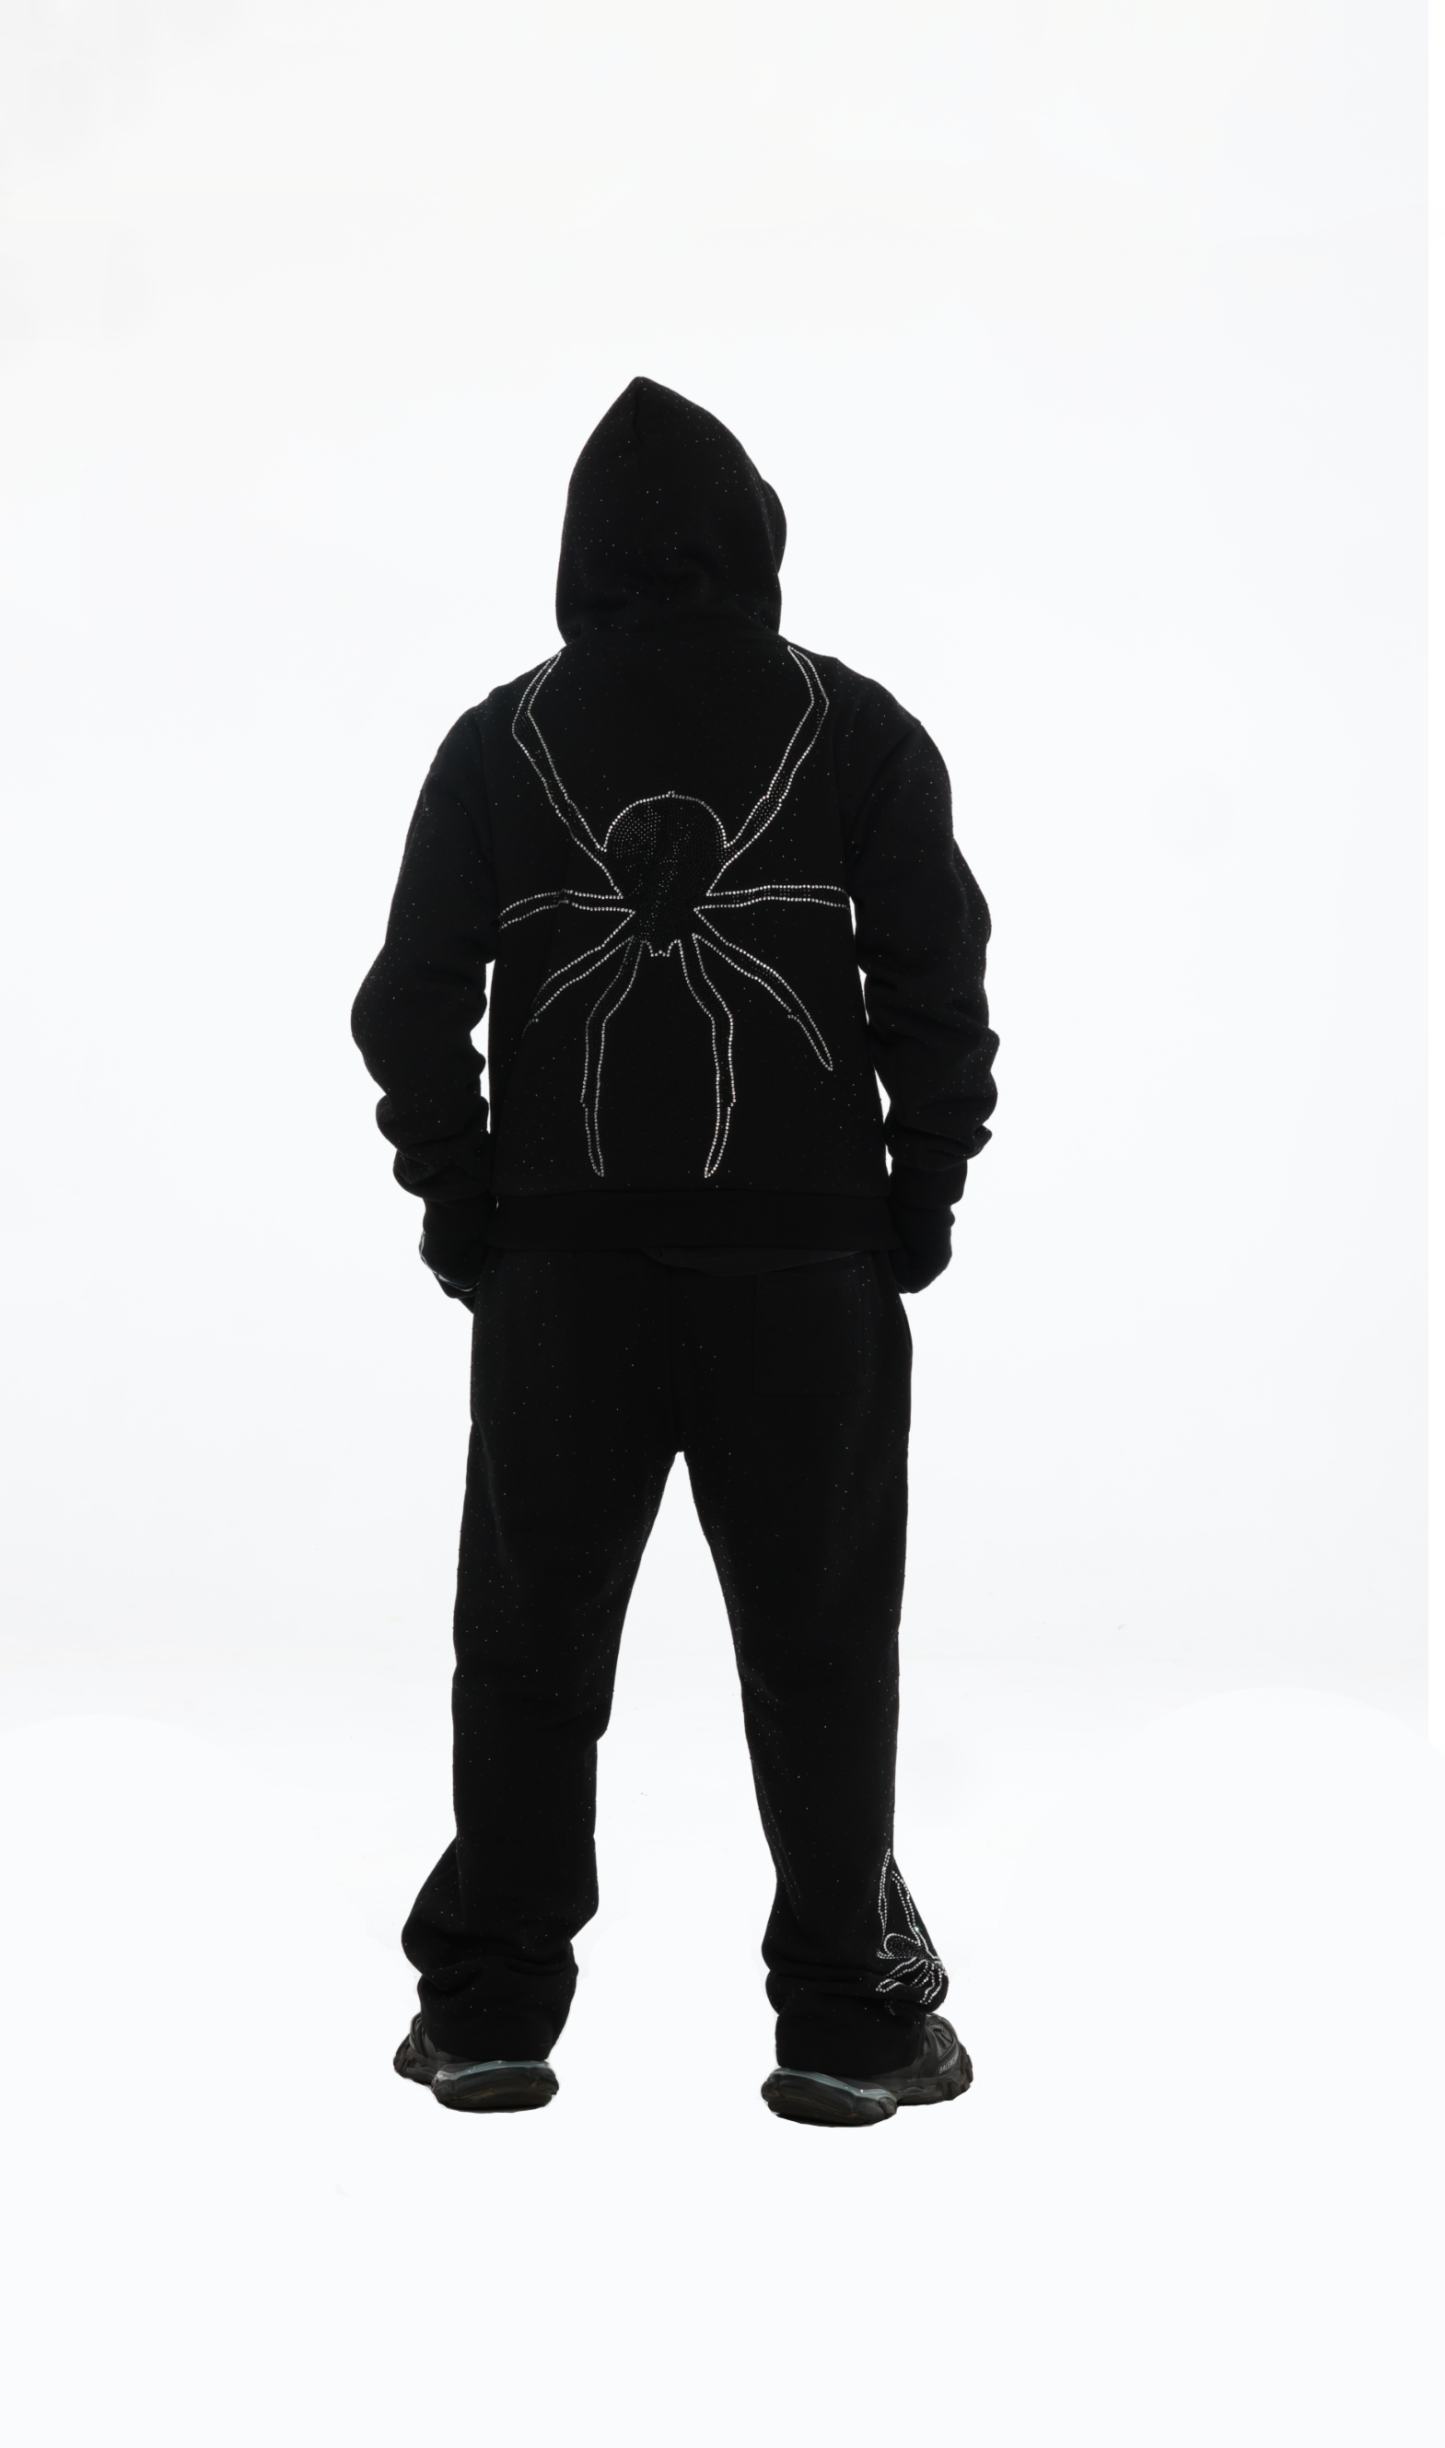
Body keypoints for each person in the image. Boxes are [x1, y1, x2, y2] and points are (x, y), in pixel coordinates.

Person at [351, 376, 998, 2127]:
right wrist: (917, 1196)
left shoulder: (503, 742)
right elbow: (936, 989)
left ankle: (490, 2011)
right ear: (755, 543)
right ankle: (845, 2020)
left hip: (564, 1278)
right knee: (823, 1647)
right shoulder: (851, 729)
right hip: (808, 1277)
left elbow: (408, 1006)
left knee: (530, 1646)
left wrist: (469, 1207)